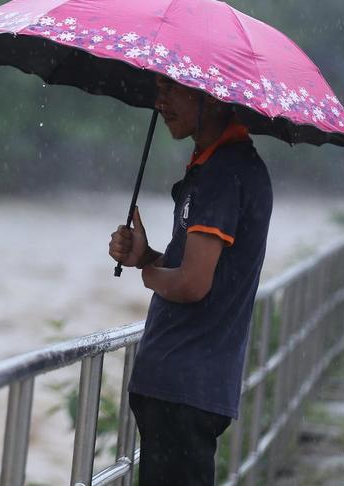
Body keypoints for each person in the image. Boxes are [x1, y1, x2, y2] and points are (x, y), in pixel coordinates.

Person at [109, 74, 273, 486]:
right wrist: (144, 256)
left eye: (171, 89)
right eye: (158, 88)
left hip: (182, 388)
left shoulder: (225, 172)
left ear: (213, 96)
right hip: (182, 387)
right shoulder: (213, 167)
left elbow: (193, 283)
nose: (159, 100)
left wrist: (147, 273)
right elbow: (196, 269)